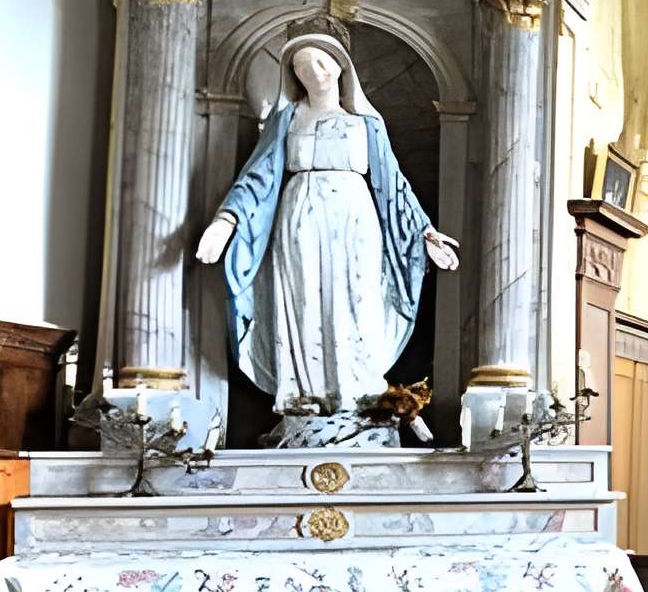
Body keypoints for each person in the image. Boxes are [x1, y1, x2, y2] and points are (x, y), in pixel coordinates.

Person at [195, 30, 458, 425]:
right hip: (300, 212)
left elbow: (393, 185)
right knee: (303, 298)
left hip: (355, 215)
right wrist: (225, 221)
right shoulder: (286, 120)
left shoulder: (367, 123)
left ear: (339, 66)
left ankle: (357, 390)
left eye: (319, 62)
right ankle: (304, 391)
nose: (311, 71)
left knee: (357, 296)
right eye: (300, 66)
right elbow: (258, 176)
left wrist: (425, 233)